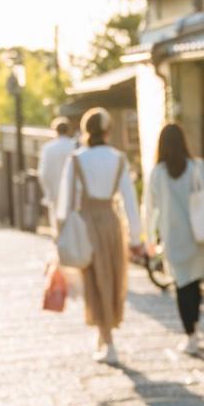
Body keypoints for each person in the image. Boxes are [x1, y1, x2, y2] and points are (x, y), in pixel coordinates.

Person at [55, 108, 143, 364]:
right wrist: (136, 237)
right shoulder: (118, 159)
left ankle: (107, 339)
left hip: (86, 223)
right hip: (112, 223)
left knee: (94, 279)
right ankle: (106, 334)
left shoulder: (77, 159)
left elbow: (64, 205)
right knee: (113, 276)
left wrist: (61, 232)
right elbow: (129, 199)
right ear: (108, 131)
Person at [142, 123, 204, 355]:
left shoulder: (158, 173)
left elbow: (150, 208)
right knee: (195, 283)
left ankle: (190, 334)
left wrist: (150, 237)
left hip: (173, 237)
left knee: (181, 285)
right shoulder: (196, 166)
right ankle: (195, 327)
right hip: (197, 236)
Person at [38, 117, 77, 233]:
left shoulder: (48, 148)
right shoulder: (74, 145)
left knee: (57, 223)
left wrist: (47, 192)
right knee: (72, 221)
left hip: (55, 189)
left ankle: (60, 245)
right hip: (72, 189)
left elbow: (43, 173)